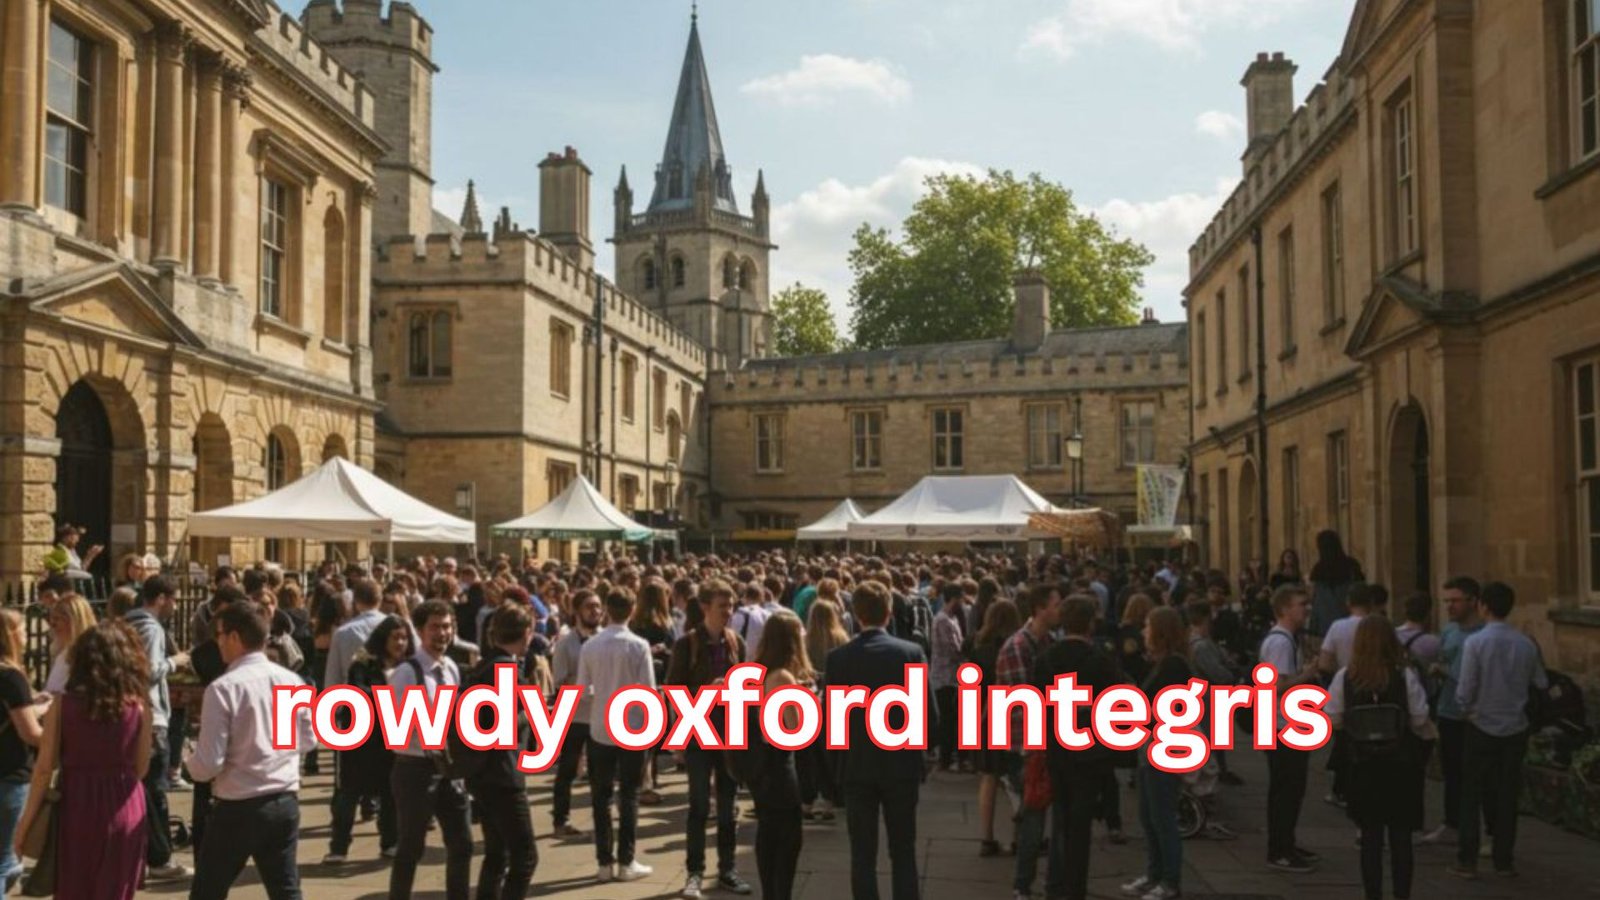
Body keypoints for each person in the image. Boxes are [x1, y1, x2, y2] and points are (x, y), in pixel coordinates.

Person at [185, 601, 315, 899]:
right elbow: (308, 739)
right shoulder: (291, 680)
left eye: (219, 635)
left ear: (234, 637)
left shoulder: (224, 688)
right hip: (283, 799)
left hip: (238, 805)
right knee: (285, 889)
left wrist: (188, 765)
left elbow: (209, 763)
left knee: (208, 892)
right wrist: (272, 750)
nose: (217, 642)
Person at [18, 619, 151, 899]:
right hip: (125, 802)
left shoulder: (62, 705)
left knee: (75, 887)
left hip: (77, 805)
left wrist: (24, 828)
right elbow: (141, 768)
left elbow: (43, 770)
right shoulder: (139, 707)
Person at [825, 579, 931, 900]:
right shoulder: (911, 653)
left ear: (856, 614)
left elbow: (833, 722)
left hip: (857, 767)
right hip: (901, 765)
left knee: (862, 854)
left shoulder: (838, 658)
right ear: (889, 612)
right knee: (903, 850)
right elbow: (928, 714)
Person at [1326, 615, 1433, 900]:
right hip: (1400, 765)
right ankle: (1402, 894)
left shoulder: (1346, 677)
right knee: (1401, 838)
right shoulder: (1404, 676)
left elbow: (1332, 717)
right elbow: (1419, 717)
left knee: (1370, 837)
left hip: (1363, 765)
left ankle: (1372, 894)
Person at [1451, 581, 1547, 880]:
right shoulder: (1525, 644)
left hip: (1481, 723)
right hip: (1515, 725)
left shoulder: (1476, 643)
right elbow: (1541, 683)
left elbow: (1465, 688)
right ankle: (1503, 859)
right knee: (1507, 794)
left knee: (1471, 793)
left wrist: (1467, 709)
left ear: (1483, 606)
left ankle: (1467, 859)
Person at [1030, 593, 1122, 900]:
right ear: (1090, 624)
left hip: (1057, 749)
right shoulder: (1101, 660)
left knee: (1061, 818)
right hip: (1090, 752)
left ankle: (1057, 884)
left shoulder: (1046, 658)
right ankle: (1073, 888)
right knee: (1080, 826)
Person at [664, 580, 752, 898]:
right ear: (704, 607)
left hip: (729, 734)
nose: (728, 612)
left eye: (731, 606)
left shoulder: (736, 642)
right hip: (698, 732)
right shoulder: (686, 644)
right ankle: (695, 872)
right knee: (699, 805)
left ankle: (727, 870)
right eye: (722, 606)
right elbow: (673, 691)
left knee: (729, 808)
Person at [386, 600, 474, 900]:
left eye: (447, 627)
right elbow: (394, 727)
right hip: (415, 768)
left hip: (449, 768)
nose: (442, 633)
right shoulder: (406, 673)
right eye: (435, 627)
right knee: (411, 847)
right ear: (421, 631)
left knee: (462, 843)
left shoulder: (451, 669)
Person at [578, 588, 656, 885]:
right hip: (631, 727)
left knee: (600, 797)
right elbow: (647, 690)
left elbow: (582, 690)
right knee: (629, 795)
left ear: (607, 610)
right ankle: (626, 860)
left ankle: (604, 862)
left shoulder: (591, 646)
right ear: (632, 609)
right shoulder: (639, 645)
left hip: (600, 727)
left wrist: (602, 694)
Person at [464, 604, 539, 900]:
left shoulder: (483, 667)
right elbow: (503, 725)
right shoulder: (505, 671)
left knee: (497, 854)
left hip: (481, 773)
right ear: (526, 633)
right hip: (503, 776)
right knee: (525, 857)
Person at [323, 614, 409, 864]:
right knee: (348, 795)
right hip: (360, 740)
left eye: (404, 638)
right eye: (395, 637)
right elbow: (357, 693)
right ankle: (339, 848)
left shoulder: (408, 667)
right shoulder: (363, 664)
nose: (400, 643)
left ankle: (390, 842)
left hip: (390, 739)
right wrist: (389, 693)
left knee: (390, 794)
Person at [124, 575, 192, 883]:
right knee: (155, 791)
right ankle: (161, 858)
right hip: (152, 717)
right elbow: (149, 671)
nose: (175, 606)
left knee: (142, 790)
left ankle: (141, 855)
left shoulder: (126, 623)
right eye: (174, 599)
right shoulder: (151, 628)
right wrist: (175, 661)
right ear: (162, 598)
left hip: (132, 713)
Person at [1121, 606, 1190, 900]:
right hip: (1150, 745)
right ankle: (1154, 874)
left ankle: (1169, 881)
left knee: (1162, 817)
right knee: (1148, 816)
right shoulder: (1161, 663)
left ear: (1161, 632)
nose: (1143, 632)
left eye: (1148, 626)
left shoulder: (1174, 665)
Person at [1000, 584, 1061, 900]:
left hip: (1048, 742)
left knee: (1040, 817)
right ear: (1039, 608)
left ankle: (1047, 883)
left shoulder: (1050, 643)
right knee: (1033, 818)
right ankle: (1023, 885)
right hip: (1025, 745)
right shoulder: (1018, 646)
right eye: (1055, 604)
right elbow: (1023, 702)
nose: (1059, 610)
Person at [1259, 584, 1323, 873]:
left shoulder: (1285, 640)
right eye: (1301, 604)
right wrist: (1306, 675)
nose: (1306, 609)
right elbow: (1275, 686)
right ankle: (1280, 850)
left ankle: (1286, 842)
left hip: (1282, 724)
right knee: (1287, 789)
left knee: (1289, 789)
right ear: (1285, 609)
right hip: (1281, 726)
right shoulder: (1280, 643)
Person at [748, 612, 811, 900]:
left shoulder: (758, 672)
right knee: (788, 840)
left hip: (761, 766)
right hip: (780, 767)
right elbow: (796, 726)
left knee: (768, 834)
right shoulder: (783, 677)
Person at [1422, 576, 1484, 845]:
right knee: (1452, 771)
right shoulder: (1449, 631)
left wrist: (1443, 670)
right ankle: (1452, 823)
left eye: (1455, 601)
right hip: (1448, 710)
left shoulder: (1483, 635)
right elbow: (1442, 659)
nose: (1449, 606)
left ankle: (1480, 828)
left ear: (1473, 601)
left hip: (1475, 714)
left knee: (1475, 773)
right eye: (1446, 601)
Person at [1317, 583, 1380, 807]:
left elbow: (1325, 662)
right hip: (1376, 685)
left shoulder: (1338, 627)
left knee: (1344, 739)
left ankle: (1341, 788)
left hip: (1345, 685)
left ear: (1348, 602)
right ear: (1371, 603)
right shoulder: (1379, 626)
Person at [968, 599, 1020, 856]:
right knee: (1017, 780)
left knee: (989, 777)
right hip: (1013, 716)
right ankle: (1021, 836)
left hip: (986, 718)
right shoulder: (1015, 649)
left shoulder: (979, 650)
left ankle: (987, 838)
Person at [0, 609, 44, 898]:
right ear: (11, 635)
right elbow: (30, 733)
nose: (27, 636)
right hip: (10, 773)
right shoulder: (11, 677)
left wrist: (37, 706)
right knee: (6, 861)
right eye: (24, 630)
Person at [551, 589, 602, 838]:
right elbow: (559, 681)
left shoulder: (605, 639)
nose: (595, 611)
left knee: (600, 773)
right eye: (589, 606)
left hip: (599, 716)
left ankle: (601, 820)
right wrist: (583, 685)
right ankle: (561, 819)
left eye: (598, 606)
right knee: (567, 770)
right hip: (573, 716)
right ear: (577, 611)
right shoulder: (565, 643)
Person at [801, 599, 850, 822]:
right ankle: (832, 797)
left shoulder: (805, 641)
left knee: (810, 756)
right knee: (832, 752)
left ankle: (809, 799)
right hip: (836, 700)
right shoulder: (842, 640)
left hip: (810, 699)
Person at [628, 580, 676, 806]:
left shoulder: (634, 624)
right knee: (654, 736)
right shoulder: (667, 625)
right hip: (660, 681)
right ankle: (648, 782)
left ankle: (643, 781)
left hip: (637, 682)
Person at [930, 582, 967, 772]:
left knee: (951, 718)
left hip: (951, 675)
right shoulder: (943, 620)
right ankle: (945, 758)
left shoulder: (951, 618)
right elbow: (951, 648)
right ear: (954, 599)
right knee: (947, 718)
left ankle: (948, 755)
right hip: (944, 675)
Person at [1308, 530, 1364, 638]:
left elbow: (1315, 598)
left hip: (1325, 620)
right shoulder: (1351, 565)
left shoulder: (1318, 569)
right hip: (1347, 616)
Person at [43, 594, 96, 694]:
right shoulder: (63, 655)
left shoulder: (90, 657)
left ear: (74, 621)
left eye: (57, 619)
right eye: (51, 619)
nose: (52, 625)